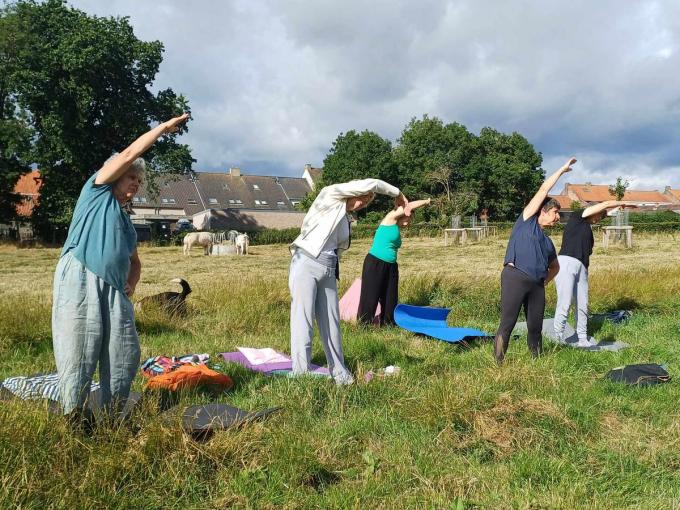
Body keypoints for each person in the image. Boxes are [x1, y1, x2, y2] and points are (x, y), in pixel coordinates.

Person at [52, 113, 189, 427]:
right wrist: (164, 129)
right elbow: (129, 154)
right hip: (81, 278)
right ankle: (74, 416)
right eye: (132, 179)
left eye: (139, 183)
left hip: (114, 289)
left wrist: (131, 284)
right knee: (79, 347)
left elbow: (136, 262)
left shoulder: (126, 223)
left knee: (123, 351)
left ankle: (113, 415)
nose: (135, 187)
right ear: (116, 175)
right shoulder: (96, 192)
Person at [289, 179, 408, 385]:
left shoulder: (344, 218)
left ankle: (340, 374)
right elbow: (372, 183)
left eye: (367, 200)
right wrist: (397, 193)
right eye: (362, 197)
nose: (363, 202)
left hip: (328, 267)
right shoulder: (330, 195)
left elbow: (335, 247)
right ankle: (301, 372)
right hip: (306, 261)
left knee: (332, 322)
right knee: (304, 317)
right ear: (351, 192)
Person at [493, 157, 577, 363]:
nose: (558, 218)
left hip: (537, 285)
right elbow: (542, 190)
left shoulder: (548, 242)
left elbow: (555, 266)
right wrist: (562, 171)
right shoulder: (526, 221)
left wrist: (544, 281)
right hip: (515, 277)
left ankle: (536, 363)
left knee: (535, 327)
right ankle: (498, 363)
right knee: (508, 323)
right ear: (542, 210)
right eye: (556, 213)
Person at [553, 200, 637, 347]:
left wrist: (619, 208)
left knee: (583, 304)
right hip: (567, 262)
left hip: (582, 267)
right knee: (565, 303)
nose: (599, 218)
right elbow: (602, 207)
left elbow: (605, 212)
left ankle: (582, 339)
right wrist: (619, 201)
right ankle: (558, 339)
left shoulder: (587, 227)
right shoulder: (577, 217)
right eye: (598, 214)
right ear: (592, 211)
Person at [357, 198, 431, 326]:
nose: (408, 224)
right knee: (370, 295)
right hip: (375, 263)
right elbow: (409, 205)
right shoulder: (390, 219)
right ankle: (364, 325)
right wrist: (426, 201)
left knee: (390, 296)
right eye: (408, 219)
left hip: (391, 265)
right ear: (402, 214)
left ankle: (388, 324)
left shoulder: (396, 228)